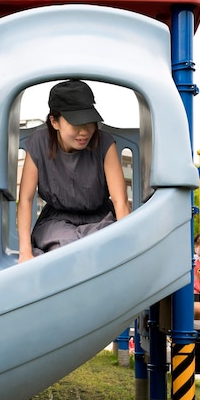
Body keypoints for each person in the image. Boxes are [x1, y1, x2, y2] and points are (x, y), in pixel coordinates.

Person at [17, 80, 131, 263]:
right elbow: (25, 199)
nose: (85, 132)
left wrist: (127, 246)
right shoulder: (39, 144)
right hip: (56, 220)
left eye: (89, 122)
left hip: (99, 219)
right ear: (55, 122)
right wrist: (25, 252)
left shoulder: (103, 143)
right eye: (76, 124)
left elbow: (121, 201)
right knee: (66, 247)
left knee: (99, 245)